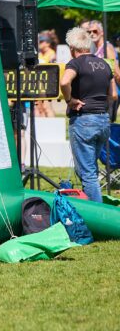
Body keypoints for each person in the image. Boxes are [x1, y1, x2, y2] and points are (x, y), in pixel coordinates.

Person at [61, 26, 115, 202]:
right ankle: (90, 205)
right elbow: (113, 95)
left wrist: (70, 100)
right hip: (103, 120)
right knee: (88, 169)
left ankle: (98, 215)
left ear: (72, 48)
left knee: (88, 173)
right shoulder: (105, 64)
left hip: (84, 119)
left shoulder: (76, 63)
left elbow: (64, 81)